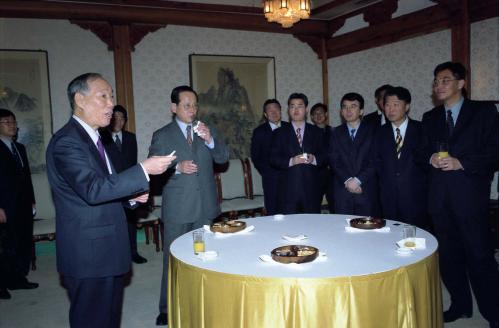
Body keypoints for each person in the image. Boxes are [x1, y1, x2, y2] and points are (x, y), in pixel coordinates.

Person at [46, 73, 175, 328]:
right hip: (89, 253)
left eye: (112, 96)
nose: (111, 104)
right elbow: (92, 189)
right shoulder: (67, 142)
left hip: (106, 248)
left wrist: (130, 199)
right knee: (92, 319)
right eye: (103, 96)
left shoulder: (95, 139)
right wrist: (143, 170)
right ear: (79, 99)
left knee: (109, 318)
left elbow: (105, 189)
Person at [417, 62, 499, 327]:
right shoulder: (430, 118)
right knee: (449, 259)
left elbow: (494, 152)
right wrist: (430, 158)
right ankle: (460, 305)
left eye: (444, 80)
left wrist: (460, 162)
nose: (438, 86)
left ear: (461, 83)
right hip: (439, 201)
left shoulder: (484, 112)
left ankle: (493, 312)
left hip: (469, 198)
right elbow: (420, 153)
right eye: (436, 81)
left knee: (480, 257)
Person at [148, 85, 228, 326]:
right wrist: (176, 168)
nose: (192, 109)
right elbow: (153, 172)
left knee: (201, 255)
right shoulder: (162, 135)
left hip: (203, 208)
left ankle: (199, 299)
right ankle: (166, 307)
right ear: (174, 108)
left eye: (195, 105)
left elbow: (223, 158)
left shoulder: (207, 130)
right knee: (173, 259)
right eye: (186, 105)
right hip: (178, 209)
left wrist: (211, 140)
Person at [372, 87, 427, 226]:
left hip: (416, 196)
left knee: (415, 239)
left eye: (396, 104)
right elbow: (375, 161)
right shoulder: (379, 133)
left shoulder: (422, 130)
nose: (391, 109)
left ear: (407, 106)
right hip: (387, 197)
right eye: (387, 105)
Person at [101, 105, 147, 264]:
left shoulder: (130, 137)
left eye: (122, 118)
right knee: (112, 222)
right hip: (111, 187)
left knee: (130, 221)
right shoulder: (102, 138)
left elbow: (132, 163)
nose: (119, 121)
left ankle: (133, 252)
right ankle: (115, 254)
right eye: (116, 118)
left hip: (128, 186)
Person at [0, 108, 38, 300]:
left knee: (22, 242)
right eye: (7, 122)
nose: (12, 125)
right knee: (5, 246)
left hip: (23, 204)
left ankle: (18, 279)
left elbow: (26, 178)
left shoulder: (20, 148)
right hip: (4, 206)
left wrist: (32, 200)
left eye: (13, 121)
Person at [270, 93, 324, 214]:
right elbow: (273, 158)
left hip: (312, 189)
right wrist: (291, 161)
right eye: (292, 106)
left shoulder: (317, 132)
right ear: (288, 110)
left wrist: (314, 159)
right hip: (287, 190)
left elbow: (326, 156)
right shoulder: (279, 133)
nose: (296, 109)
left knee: (312, 227)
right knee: (289, 228)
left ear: (306, 109)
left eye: (300, 106)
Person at [329, 92, 378, 216]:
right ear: (341, 111)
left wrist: (358, 180)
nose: (348, 110)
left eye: (353, 106)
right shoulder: (335, 132)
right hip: (342, 190)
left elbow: (375, 160)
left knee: (367, 231)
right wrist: (348, 180)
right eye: (344, 107)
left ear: (361, 111)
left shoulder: (373, 131)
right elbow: (334, 160)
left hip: (365, 189)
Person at [250, 99, 290, 215]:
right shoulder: (259, 132)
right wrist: (267, 172)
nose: (273, 112)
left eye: (276, 109)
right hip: (271, 178)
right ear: (265, 114)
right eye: (270, 110)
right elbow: (256, 156)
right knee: (273, 210)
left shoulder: (289, 128)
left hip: (290, 176)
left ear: (281, 111)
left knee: (291, 210)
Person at [310, 102, 334, 213]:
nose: (318, 116)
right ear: (311, 117)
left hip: (333, 174)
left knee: (335, 205)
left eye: (321, 113)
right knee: (313, 206)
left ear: (326, 114)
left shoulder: (335, 132)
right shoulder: (308, 132)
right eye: (315, 114)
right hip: (315, 174)